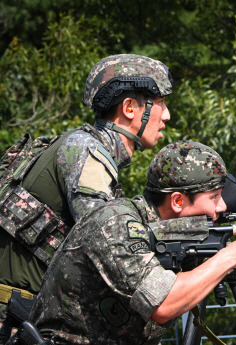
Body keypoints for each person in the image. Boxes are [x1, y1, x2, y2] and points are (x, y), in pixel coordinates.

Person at [28, 140, 236, 344]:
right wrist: (230, 255)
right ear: (177, 201)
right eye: (214, 197)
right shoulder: (116, 223)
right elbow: (164, 304)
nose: (221, 206)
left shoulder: (176, 234)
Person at [0, 54, 174, 342]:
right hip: (15, 323)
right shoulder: (86, 152)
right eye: (161, 103)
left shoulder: (82, 148)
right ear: (130, 108)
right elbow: (111, 245)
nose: (166, 115)